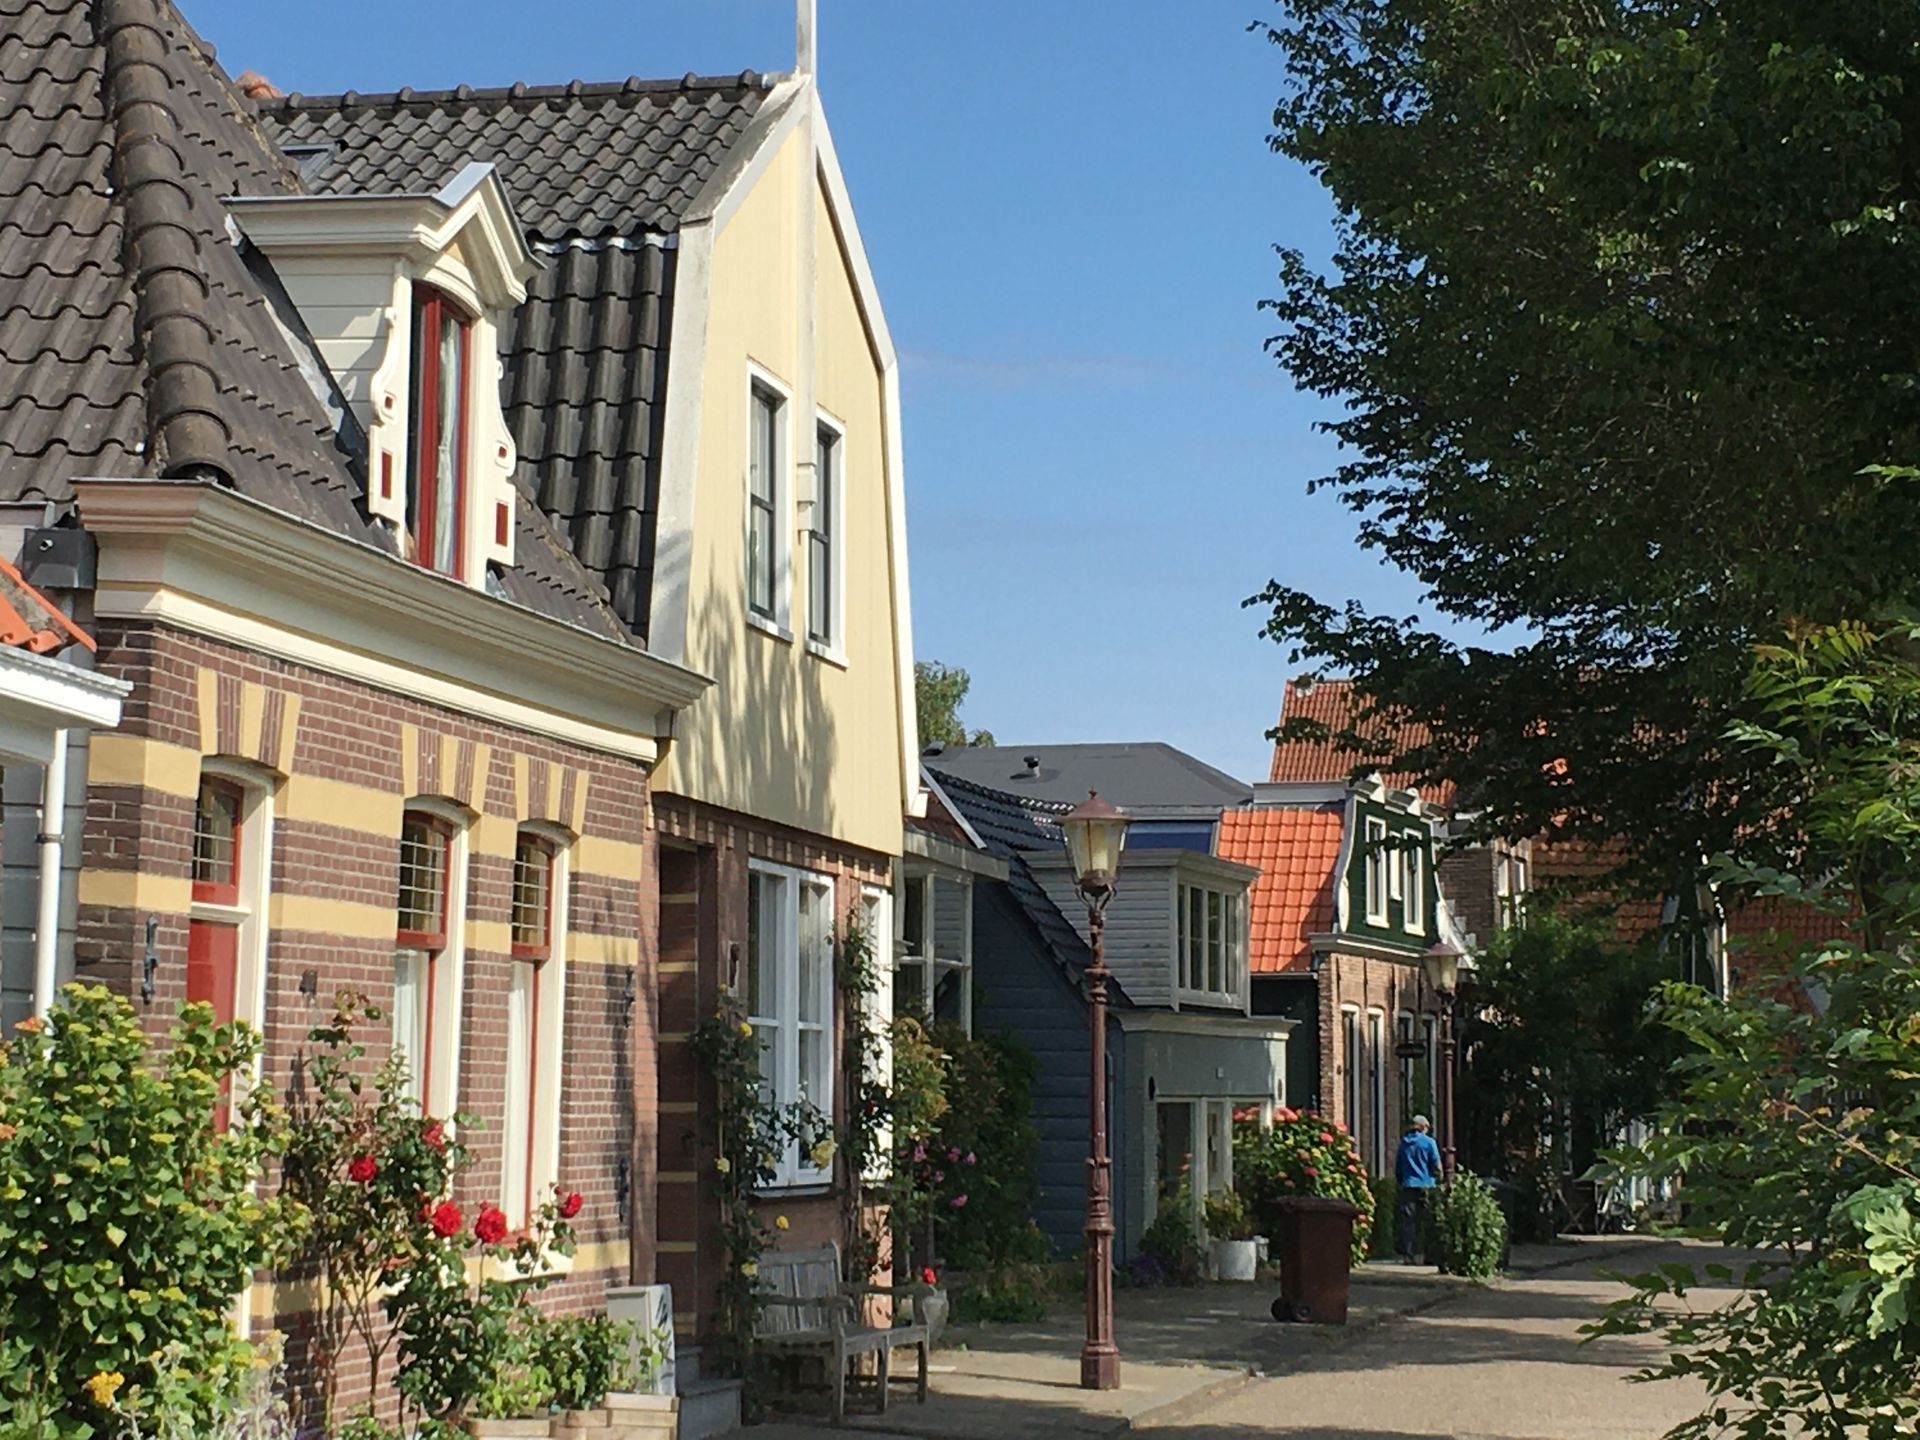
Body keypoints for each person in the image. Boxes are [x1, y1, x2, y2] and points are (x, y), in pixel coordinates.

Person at [1395, 1114, 1444, 1262]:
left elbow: (1398, 1167)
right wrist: (1439, 1179)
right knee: (1425, 1221)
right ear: (1423, 1127)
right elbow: (1437, 1165)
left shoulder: (1404, 1143)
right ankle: (1424, 1254)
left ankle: (1407, 1255)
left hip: (1408, 1185)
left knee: (1407, 1222)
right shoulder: (1429, 1143)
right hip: (1426, 1185)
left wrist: (1401, 1181)